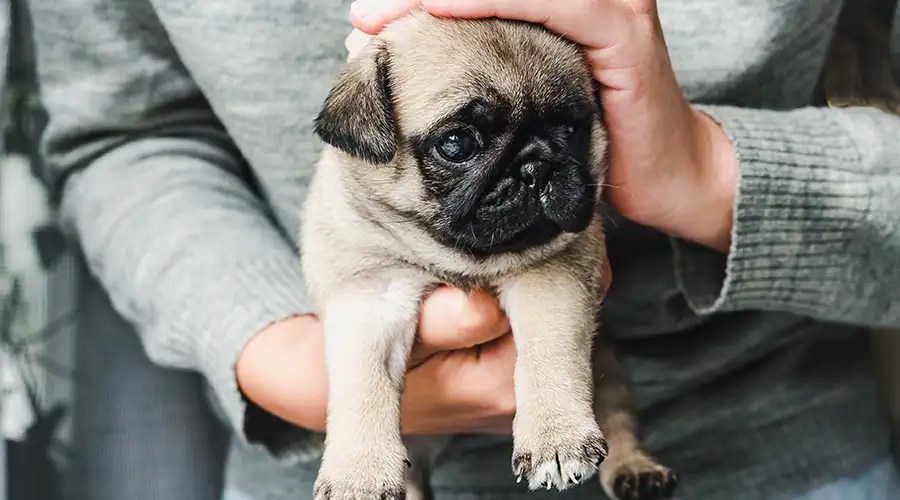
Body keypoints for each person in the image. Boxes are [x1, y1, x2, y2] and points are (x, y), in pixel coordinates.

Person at [27, 0, 900, 498]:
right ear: (365, 134)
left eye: (563, 128)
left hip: (773, 447)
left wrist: (708, 167)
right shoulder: (363, 137)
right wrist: (272, 353)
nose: (529, 172)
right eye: (460, 145)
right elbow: (126, 133)